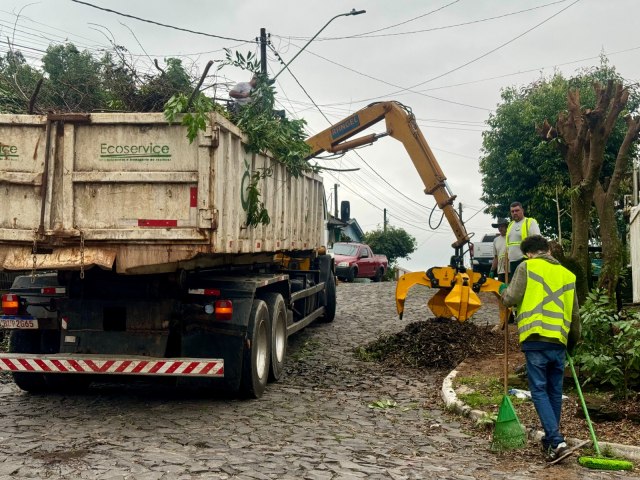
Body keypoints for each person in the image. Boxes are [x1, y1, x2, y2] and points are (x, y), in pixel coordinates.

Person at [500, 235, 581, 463]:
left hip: (535, 338)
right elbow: (575, 315)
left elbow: (510, 299)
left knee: (539, 390)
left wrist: (504, 291)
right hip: (559, 342)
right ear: (548, 250)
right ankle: (550, 443)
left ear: (528, 253)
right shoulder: (568, 275)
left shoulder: (527, 267)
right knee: (554, 392)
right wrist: (572, 343)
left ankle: (556, 440)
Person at [506, 201, 540, 274]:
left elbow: (538, 241)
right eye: (512, 211)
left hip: (526, 260)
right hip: (512, 262)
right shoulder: (510, 225)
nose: (515, 213)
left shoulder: (530, 222)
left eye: (517, 210)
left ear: (522, 210)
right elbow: (508, 244)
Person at [489, 218, 509, 282]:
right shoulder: (496, 240)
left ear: (506, 227)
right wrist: (492, 270)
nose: (500, 228)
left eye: (502, 226)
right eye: (499, 227)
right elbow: (496, 257)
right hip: (501, 271)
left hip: (511, 270)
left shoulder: (511, 237)